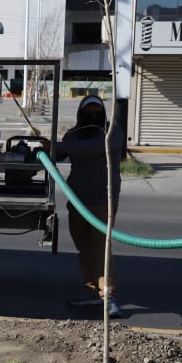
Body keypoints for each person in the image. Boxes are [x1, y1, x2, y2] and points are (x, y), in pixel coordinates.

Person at [56, 95, 125, 318]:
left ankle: (109, 295)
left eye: (97, 110)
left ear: (104, 112)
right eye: (89, 111)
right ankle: (91, 290)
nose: (93, 115)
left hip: (103, 199)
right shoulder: (74, 134)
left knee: (101, 247)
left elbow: (92, 148)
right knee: (84, 246)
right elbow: (61, 152)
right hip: (77, 199)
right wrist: (46, 147)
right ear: (81, 113)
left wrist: (61, 145)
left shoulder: (111, 133)